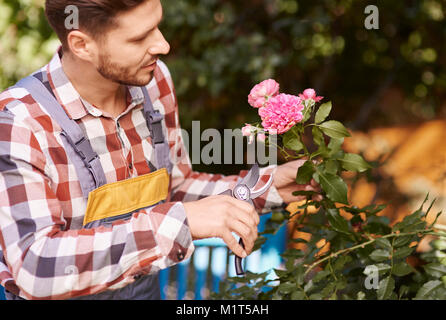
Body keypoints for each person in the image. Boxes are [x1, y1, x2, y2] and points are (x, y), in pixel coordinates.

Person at [0, 0, 317, 300]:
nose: (163, 45)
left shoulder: (153, 84)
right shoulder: (20, 121)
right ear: (82, 44)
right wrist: (179, 224)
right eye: (139, 38)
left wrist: (265, 187)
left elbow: (174, 188)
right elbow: (35, 267)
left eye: (157, 26)